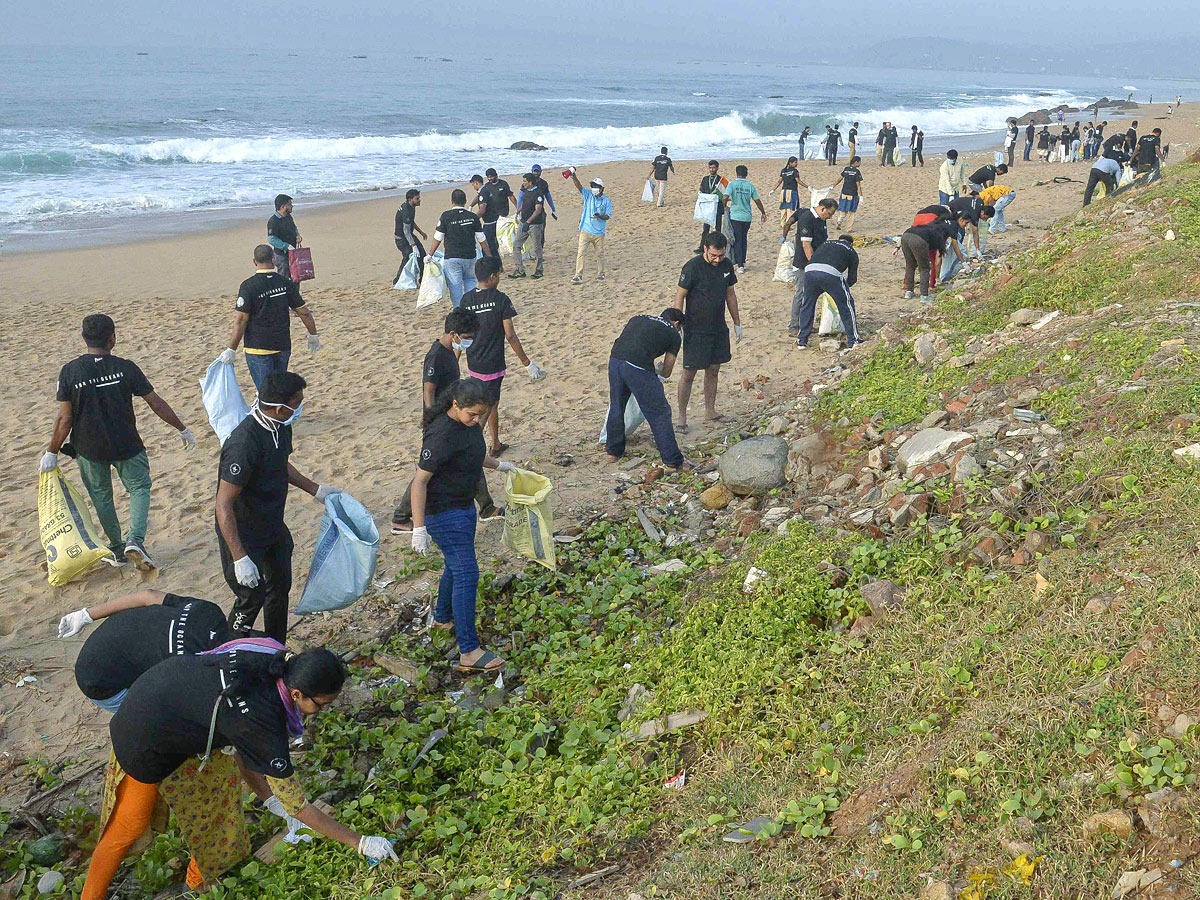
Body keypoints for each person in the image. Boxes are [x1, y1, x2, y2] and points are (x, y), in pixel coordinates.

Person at [79, 643, 395, 900]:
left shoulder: (276, 659)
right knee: (129, 826)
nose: (323, 711)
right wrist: (360, 842)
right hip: (142, 733)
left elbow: (242, 744)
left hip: (174, 704)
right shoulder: (262, 721)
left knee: (219, 802)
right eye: (322, 704)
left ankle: (196, 884)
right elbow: (298, 805)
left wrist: (268, 797)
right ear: (296, 695)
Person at [43, 314, 193, 571]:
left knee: (102, 496)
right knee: (139, 488)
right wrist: (181, 428)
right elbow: (155, 402)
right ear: (112, 338)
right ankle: (135, 539)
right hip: (126, 443)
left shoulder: (70, 371)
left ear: (83, 338)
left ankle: (116, 547)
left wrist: (52, 451)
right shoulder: (126, 367)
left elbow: (64, 419)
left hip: (90, 448)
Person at [215, 371, 339, 642]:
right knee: (251, 596)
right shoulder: (244, 443)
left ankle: (275, 647)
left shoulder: (281, 426)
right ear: (280, 408)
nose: (301, 407)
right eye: (298, 402)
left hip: (271, 523)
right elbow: (223, 504)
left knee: (279, 586)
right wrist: (239, 557)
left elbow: (280, 462)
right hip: (243, 532)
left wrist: (315, 489)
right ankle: (231, 649)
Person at [410, 378, 520, 671]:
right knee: (467, 573)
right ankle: (469, 651)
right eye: (472, 414)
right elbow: (419, 482)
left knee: (455, 565)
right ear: (455, 405)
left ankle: (443, 617)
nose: (476, 420)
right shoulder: (441, 435)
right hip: (443, 512)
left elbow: (471, 454)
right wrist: (419, 528)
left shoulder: (466, 427)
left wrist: (501, 466)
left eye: (481, 415)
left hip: (463, 507)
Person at [391, 308, 501, 534]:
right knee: (428, 470)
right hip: (441, 421)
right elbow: (428, 390)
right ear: (454, 334)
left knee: (468, 455)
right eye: (467, 338)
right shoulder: (436, 355)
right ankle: (401, 517)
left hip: (452, 416)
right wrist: (431, 420)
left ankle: (487, 507)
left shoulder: (451, 351)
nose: (469, 342)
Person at [59, 590, 232, 712]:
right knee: (176, 712)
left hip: (109, 641)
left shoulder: (208, 610)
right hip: (100, 684)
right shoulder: (189, 662)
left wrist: (87, 615)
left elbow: (147, 596)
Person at [460, 256, 546, 456]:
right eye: (498, 275)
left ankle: (496, 443)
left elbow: (461, 333)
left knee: (491, 403)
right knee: (486, 407)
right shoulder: (500, 300)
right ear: (492, 277)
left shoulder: (466, 300)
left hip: (474, 361)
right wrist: (527, 362)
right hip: (493, 363)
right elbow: (510, 335)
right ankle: (471, 448)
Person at [220, 245, 319, 392]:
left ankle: (274, 413)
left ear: (254, 262)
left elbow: (241, 320)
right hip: (282, 345)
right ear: (273, 260)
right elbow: (304, 312)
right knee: (279, 388)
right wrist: (313, 334)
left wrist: (231, 349)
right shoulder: (285, 283)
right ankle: (280, 413)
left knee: (266, 392)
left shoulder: (248, 286)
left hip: (258, 348)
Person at [673, 232, 742, 432]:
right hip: (695, 328)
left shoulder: (727, 266)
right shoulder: (692, 267)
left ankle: (710, 411)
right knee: (689, 373)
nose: (717, 259)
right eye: (713, 255)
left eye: (720, 255)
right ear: (705, 249)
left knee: (713, 370)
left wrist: (737, 322)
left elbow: (731, 295)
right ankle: (682, 416)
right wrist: (677, 322)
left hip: (718, 327)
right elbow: (680, 296)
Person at [605, 308, 687, 470]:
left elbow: (631, 340)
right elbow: (667, 372)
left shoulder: (638, 317)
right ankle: (672, 460)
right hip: (638, 366)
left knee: (617, 405)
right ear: (677, 324)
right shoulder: (674, 333)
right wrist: (659, 368)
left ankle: (613, 451)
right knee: (659, 413)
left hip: (615, 359)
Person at [797, 235, 862, 350]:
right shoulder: (851, 251)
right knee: (846, 305)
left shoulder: (826, 243)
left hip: (810, 270)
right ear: (851, 243)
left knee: (807, 305)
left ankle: (802, 340)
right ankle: (854, 340)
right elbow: (852, 279)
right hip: (830, 273)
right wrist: (840, 290)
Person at [783, 198, 836, 338]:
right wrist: (813, 265)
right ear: (823, 208)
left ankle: (806, 323)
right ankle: (794, 326)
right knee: (801, 293)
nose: (830, 217)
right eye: (829, 213)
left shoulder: (821, 219)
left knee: (811, 295)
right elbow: (807, 246)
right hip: (804, 264)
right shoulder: (807, 218)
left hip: (817, 261)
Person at [428, 189, 489, 307]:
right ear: (465, 201)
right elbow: (482, 239)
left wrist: (430, 254)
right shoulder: (472, 217)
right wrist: (489, 255)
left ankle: (458, 309)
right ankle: (471, 307)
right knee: (470, 280)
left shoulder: (446, 216)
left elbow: (438, 237)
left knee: (455, 285)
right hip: (470, 256)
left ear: (452, 201)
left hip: (452, 257)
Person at [567, 166, 613, 283]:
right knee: (581, 253)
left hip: (599, 232)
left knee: (599, 254)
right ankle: (578, 275)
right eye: (593, 186)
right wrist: (574, 176)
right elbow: (579, 186)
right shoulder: (588, 195)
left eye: (596, 187)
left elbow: (607, 216)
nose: (594, 188)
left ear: (602, 188)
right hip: (585, 230)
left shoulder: (606, 201)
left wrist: (600, 216)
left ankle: (601, 273)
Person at [722, 165, 766, 273]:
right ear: (746, 174)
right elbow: (757, 200)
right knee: (743, 239)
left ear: (736, 173)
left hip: (735, 216)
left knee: (737, 239)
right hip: (746, 217)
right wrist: (763, 212)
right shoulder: (750, 186)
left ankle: (740, 264)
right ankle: (743, 262)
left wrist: (724, 207)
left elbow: (724, 197)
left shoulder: (732, 184)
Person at [901, 218, 954, 302]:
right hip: (919, 240)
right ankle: (924, 296)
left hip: (905, 235)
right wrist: (936, 277)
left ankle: (909, 292)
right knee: (924, 268)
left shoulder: (929, 228)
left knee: (910, 265)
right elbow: (937, 261)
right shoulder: (939, 236)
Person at [472, 168, 516, 257]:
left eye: (491, 177)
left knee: (493, 241)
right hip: (493, 215)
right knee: (493, 242)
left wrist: (517, 207)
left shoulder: (503, 184)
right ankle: (497, 259)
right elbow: (479, 197)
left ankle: (494, 259)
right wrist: (471, 205)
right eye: (488, 177)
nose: (490, 179)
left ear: (496, 175)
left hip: (502, 215)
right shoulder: (487, 187)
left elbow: (511, 196)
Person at [511, 173, 545, 279]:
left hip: (535, 225)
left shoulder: (538, 194)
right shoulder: (526, 191)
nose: (523, 183)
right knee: (516, 244)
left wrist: (529, 222)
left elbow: (538, 210)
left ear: (530, 182)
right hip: (523, 222)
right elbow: (524, 203)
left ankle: (539, 270)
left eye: (525, 181)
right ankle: (520, 270)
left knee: (537, 248)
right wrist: (518, 211)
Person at [394, 189, 427, 285]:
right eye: (417, 198)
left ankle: (423, 278)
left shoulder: (411, 207)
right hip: (401, 238)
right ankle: (398, 279)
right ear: (410, 199)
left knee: (422, 255)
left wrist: (421, 232)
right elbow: (406, 231)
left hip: (409, 235)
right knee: (408, 256)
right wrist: (413, 246)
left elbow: (411, 222)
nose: (419, 200)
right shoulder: (406, 210)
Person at [266, 194, 300, 279]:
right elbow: (271, 239)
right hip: (281, 255)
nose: (292, 206)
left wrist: (298, 235)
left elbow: (294, 227)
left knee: (296, 276)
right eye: (289, 204)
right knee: (284, 277)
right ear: (283, 206)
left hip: (293, 252)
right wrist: (286, 246)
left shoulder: (288, 216)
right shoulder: (273, 221)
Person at [696, 160, 727, 251]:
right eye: (710, 168)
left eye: (713, 168)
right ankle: (703, 247)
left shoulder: (721, 180)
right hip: (707, 207)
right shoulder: (705, 179)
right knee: (706, 228)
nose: (712, 169)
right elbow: (701, 190)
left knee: (717, 228)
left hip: (717, 207)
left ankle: (718, 246)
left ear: (717, 168)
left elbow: (724, 194)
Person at [771, 157, 808, 230]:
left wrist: (773, 190)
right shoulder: (795, 171)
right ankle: (788, 224)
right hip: (791, 191)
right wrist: (808, 187)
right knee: (790, 208)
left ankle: (783, 224)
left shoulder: (783, 170)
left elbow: (779, 181)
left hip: (783, 191)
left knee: (783, 208)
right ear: (790, 163)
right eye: (795, 162)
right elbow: (798, 181)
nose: (797, 163)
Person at [832, 157, 864, 232]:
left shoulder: (846, 169)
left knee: (843, 209)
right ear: (856, 162)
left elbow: (840, 179)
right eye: (859, 162)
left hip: (844, 192)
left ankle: (839, 221)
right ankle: (849, 228)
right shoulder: (856, 172)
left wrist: (833, 185)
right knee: (852, 212)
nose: (860, 164)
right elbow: (858, 185)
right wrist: (861, 196)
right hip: (852, 194)